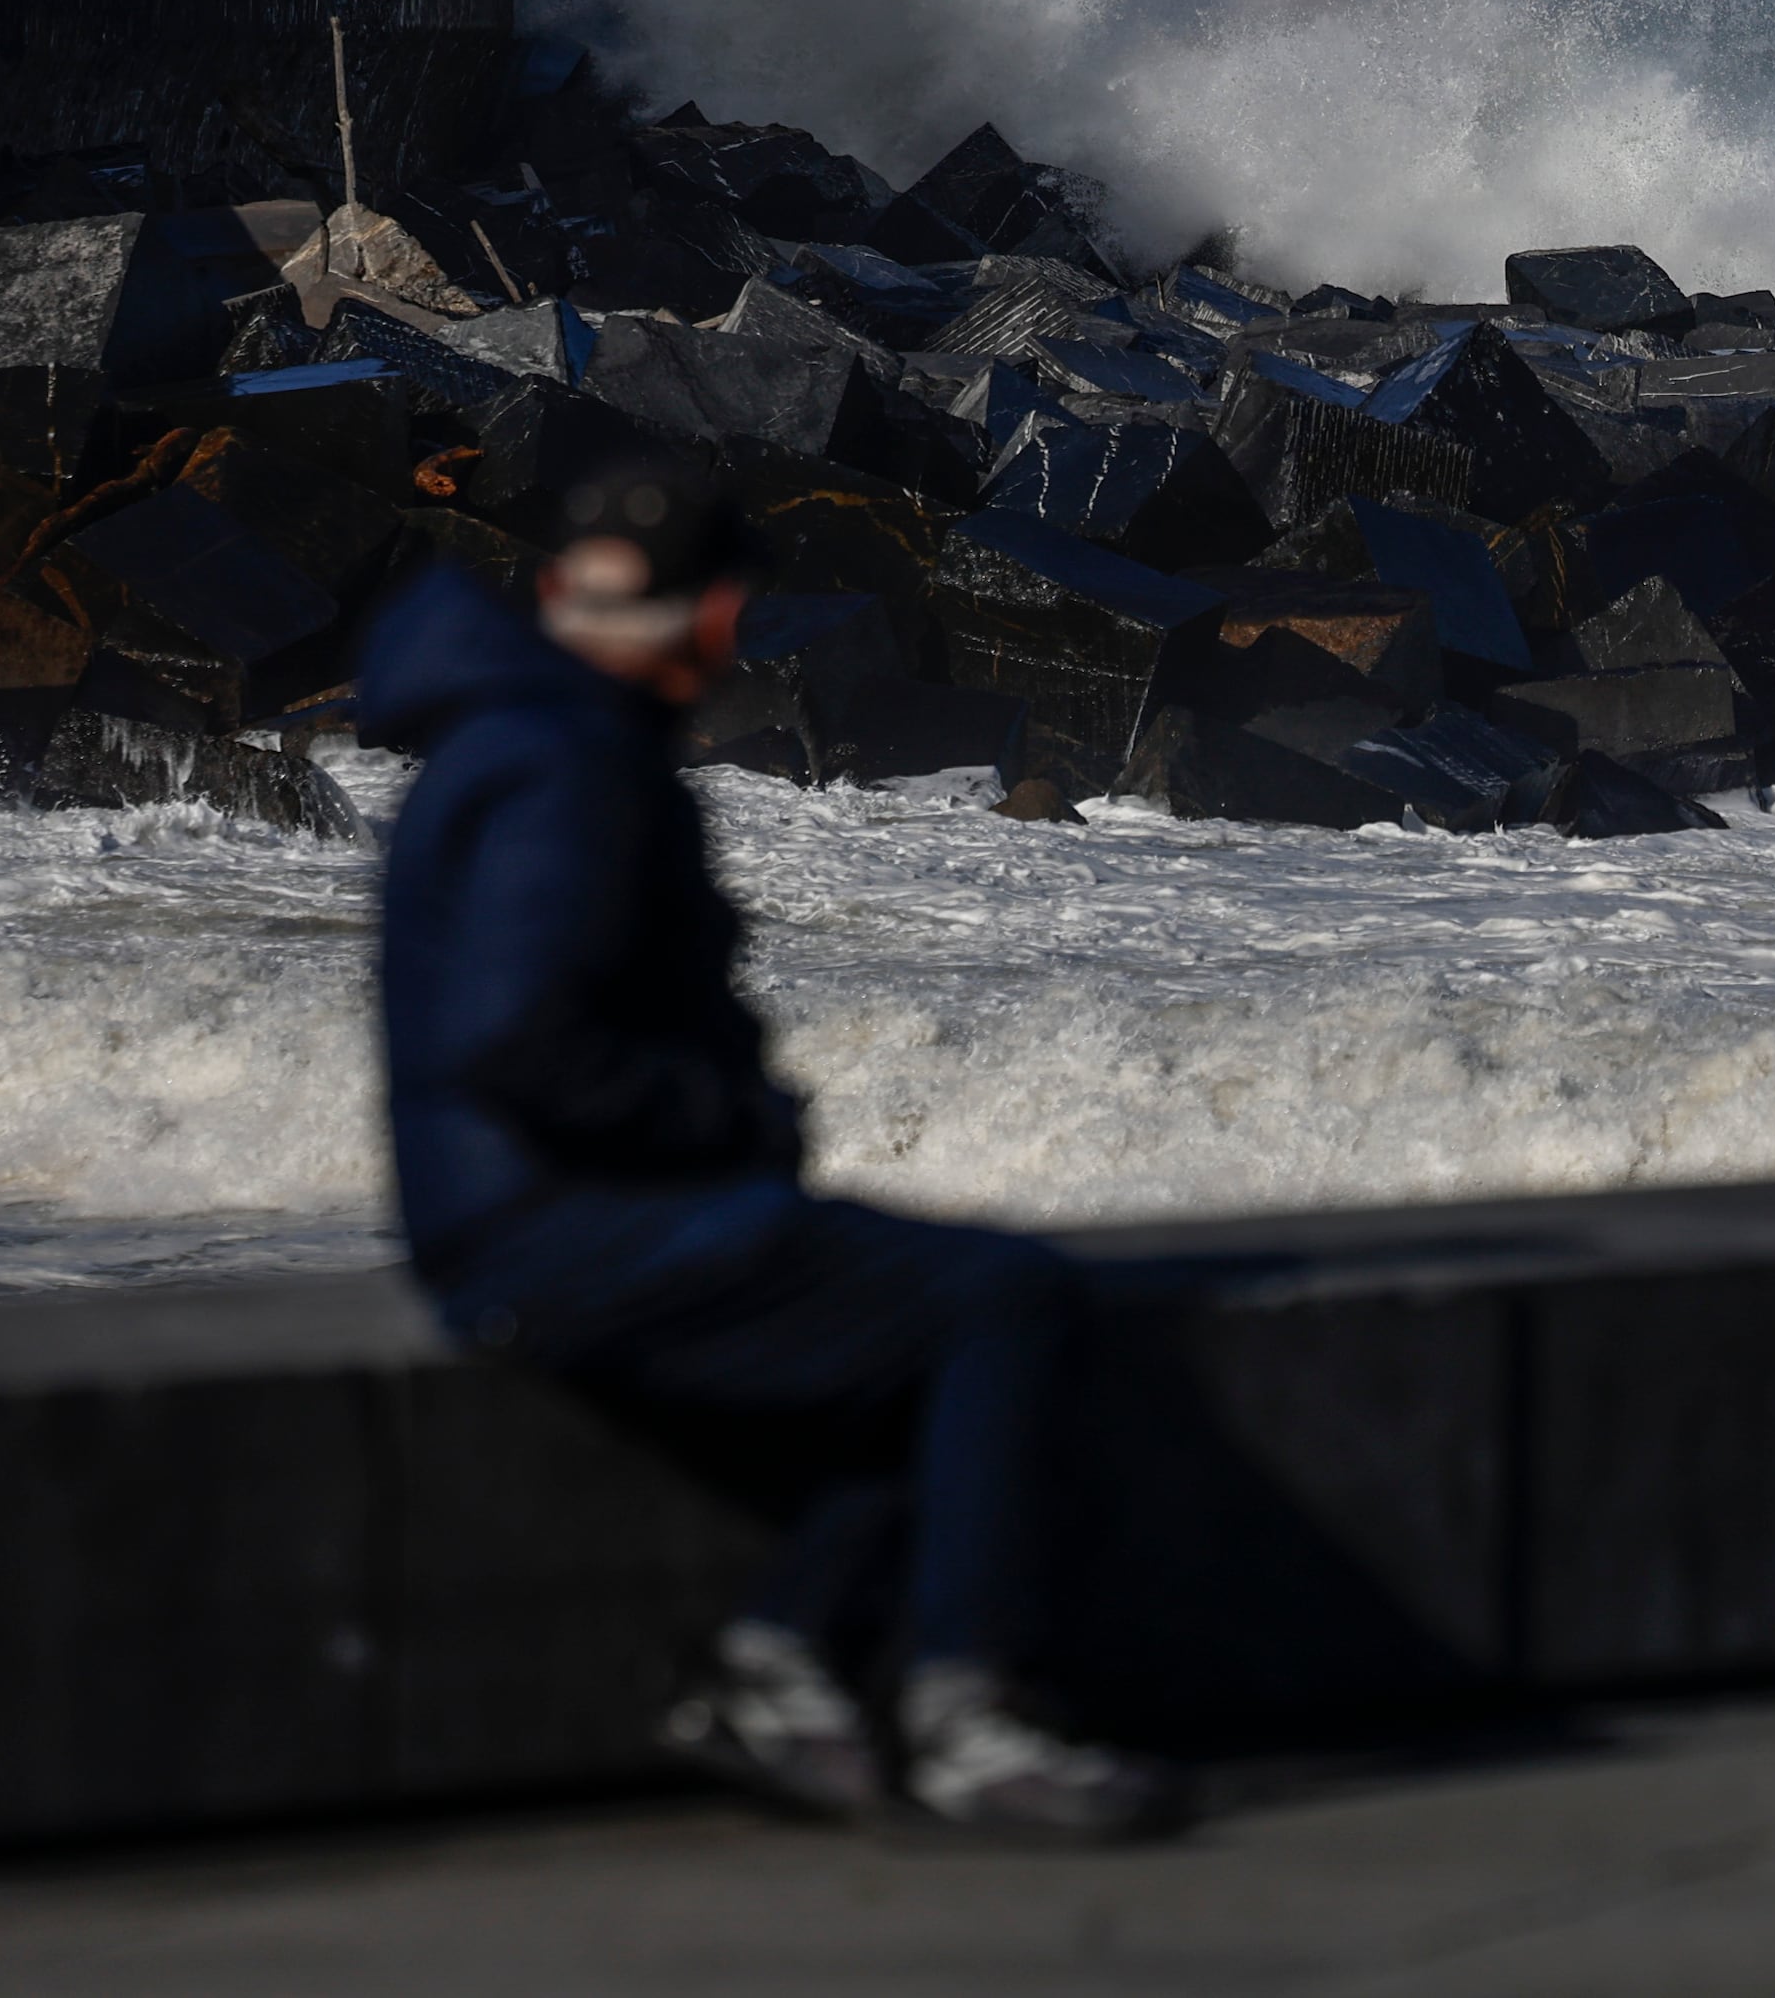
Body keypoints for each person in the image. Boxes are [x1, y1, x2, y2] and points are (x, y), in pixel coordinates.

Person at [360, 448, 1179, 1836]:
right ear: (719, 616)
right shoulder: (564, 763)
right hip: (551, 1232)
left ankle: (783, 1660)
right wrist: (729, 1123)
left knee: (903, 1343)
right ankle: (968, 1708)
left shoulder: (532, 731)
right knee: (1001, 1299)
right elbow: (521, 1037)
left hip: (528, 1214)